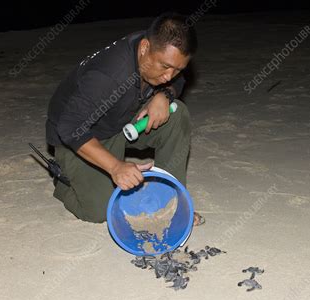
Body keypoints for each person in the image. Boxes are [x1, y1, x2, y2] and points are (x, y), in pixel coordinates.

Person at [45, 12, 205, 226]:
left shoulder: (156, 53)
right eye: (165, 67)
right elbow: (69, 126)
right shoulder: (108, 74)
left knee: (177, 113)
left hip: (120, 121)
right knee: (100, 211)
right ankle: (65, 180)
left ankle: (171, 200)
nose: (169, 76)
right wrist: (115, 167)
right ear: (144, 48)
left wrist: (164, 95)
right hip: (80, 136)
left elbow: (178, 81)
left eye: (177, 69)